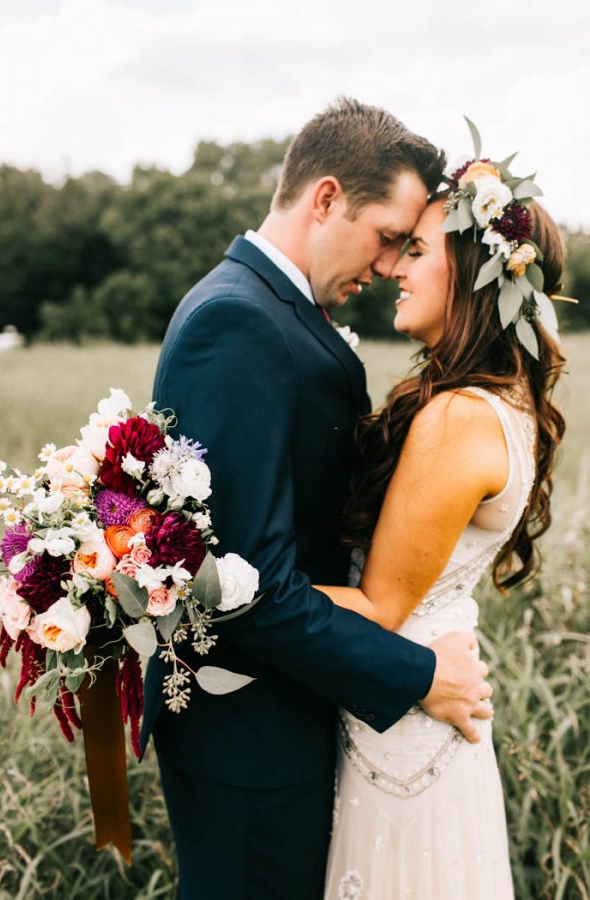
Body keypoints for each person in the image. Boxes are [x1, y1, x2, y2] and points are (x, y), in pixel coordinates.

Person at [140, 99, 493, 900]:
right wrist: (417, 675)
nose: (389, 265)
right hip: (248, 743)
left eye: (410, 247)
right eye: (388, 238)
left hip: (278, 726)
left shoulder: (277, 311)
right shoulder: (237, 320)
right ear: (327, 197)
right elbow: (244, 589)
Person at [321, 156, 566, 898]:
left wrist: (209, 577)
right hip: (416, 720)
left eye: (418, 251)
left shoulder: (459, 416)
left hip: (403, 740)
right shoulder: (505, 404)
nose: (394, 266)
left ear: (476, 275)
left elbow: (380, 608)